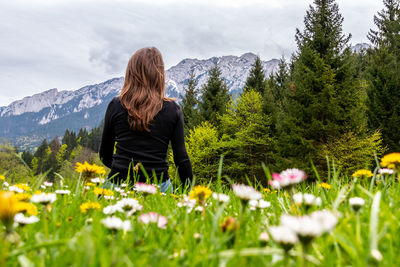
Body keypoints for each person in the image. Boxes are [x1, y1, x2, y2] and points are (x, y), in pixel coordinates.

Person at [99, 47, 193, 192]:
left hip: (117, 184)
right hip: (159, 186)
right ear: (159, 75)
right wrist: (191, 195)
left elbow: (105, 155)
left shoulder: (116, 105)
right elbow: (181, 159)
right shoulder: (173, 109)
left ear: (131, 73)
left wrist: (124, 171)